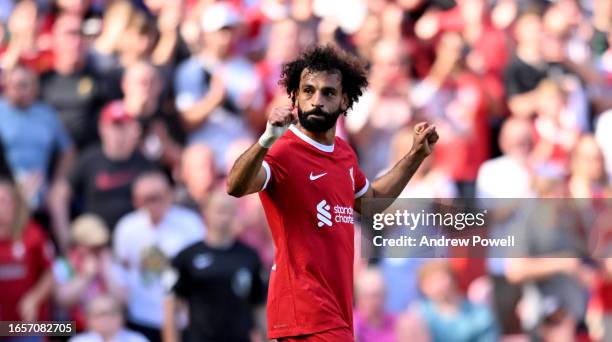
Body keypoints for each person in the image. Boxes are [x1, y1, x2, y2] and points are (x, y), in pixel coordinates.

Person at [227, 45, 438, 341]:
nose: (316, 101)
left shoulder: (344, 154)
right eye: (308, 91)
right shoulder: (284, 149)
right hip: (304, 310)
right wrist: (267, 138)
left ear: (344, 101)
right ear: (295, 97)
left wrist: (415, 156)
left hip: (335, 311)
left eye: (328, 93)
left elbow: (370, 204)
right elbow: (236, 186)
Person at [113, 171, 205, 342]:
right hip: (141, 314)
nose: (152, 204)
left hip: (183, 316)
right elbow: (121, 269)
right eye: (146, 198)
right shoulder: (127, 227)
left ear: (169, 195)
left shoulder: (190, 223)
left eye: (157, 197)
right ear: (135, 200)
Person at [163, 189, 265, 342]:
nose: (224, 216)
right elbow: (171, 306)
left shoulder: (249, 256)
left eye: (229, 210)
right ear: (205, 212)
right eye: (219, 210)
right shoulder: (187, 256)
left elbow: (258, 306)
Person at [48, 101, 154, 243]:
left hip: (136, 241)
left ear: (134, 130)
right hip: (96, 244)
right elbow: (58, 196)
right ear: (102, 129)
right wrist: (65, 238)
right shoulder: (89, 159)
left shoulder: (145, 162)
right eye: (115, 126)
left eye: (125, 126)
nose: (120, 133)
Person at [0, 178, 55, 340]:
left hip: (28, 325)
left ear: (14, 204)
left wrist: (34, 297)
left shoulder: (33, 234)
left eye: (3, 201)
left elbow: (51, 272)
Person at [53, 214, 127, 332]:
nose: (96, 250)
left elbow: (122, 301)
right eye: (91, 246)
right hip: (72, 330)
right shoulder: (64, 265)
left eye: (100, 246)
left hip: (106, 329)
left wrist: (107, 272)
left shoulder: (109, 262)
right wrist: (85, 277)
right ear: (77, 244)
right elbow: (61, 302)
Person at [404, 260, 499, 342]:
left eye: (441, 279)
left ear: (453, 279)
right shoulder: (419, 314)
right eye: (431, 281)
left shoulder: (480, 314)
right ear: (423, 287)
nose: (437, 286)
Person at [68, 294, 149, 342]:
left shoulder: (137, 340)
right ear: (88, 320)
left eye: (112, 313)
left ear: (121, 317)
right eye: (101, 314)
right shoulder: (78, 340)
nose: (106, 319)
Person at [353, 267, 396, 342]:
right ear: (358, 298)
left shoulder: (396, 324)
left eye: (375, 296)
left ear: (384, 296)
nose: (370, 301)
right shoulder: (351, 325)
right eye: (365, 296)